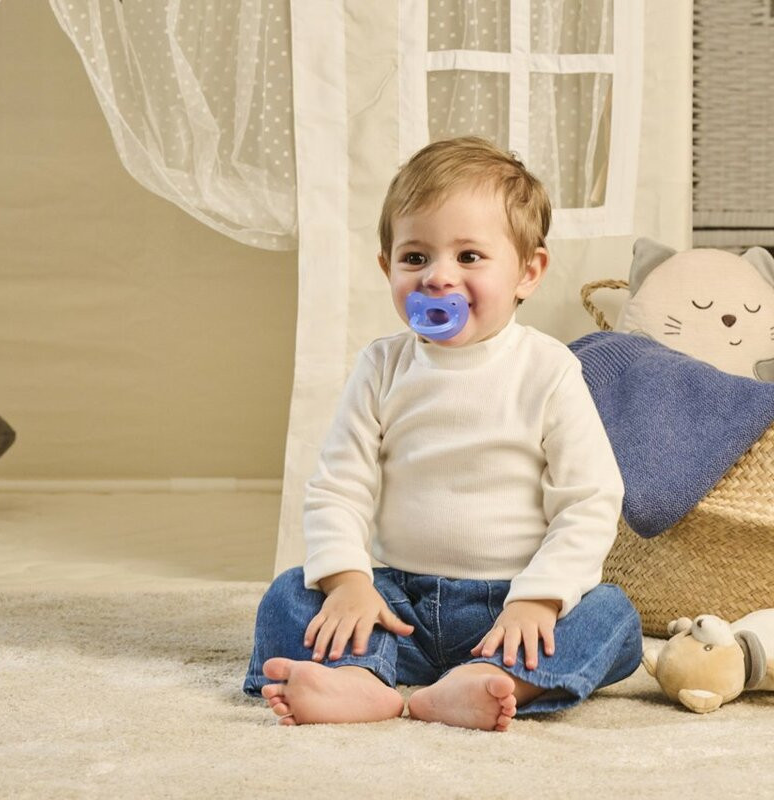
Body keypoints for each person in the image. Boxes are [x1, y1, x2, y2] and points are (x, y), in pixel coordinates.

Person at [243, 136, 642, 731]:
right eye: (415, 257)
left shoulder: (549, 370)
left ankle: (491, 680)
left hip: (510, 609)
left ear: (528, 271)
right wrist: (349, 583)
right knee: (289, 595)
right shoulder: (381, 368)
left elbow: (589, 499)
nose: (437, 277)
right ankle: (360, 679)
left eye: (469, 256)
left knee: (614, 616)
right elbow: (338, 487)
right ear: (387, 267)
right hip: (395, 606)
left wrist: (540, 598)